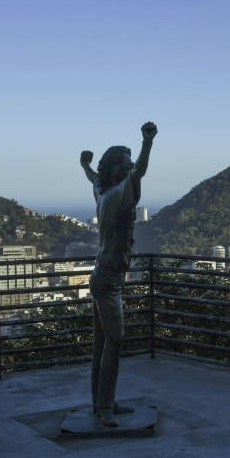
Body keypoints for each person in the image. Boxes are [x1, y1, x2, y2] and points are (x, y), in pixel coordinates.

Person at [79, 121, 157, 428]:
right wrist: (147, 143)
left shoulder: (102, 190)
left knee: (102, 342)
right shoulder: (119, 194)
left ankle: (102, 402)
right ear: (118, 169)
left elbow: (93, 177)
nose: (129, 167)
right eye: (124, 162)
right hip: (109, 278)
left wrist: (84, 164)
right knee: (116, 339)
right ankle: (105, 407)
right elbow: (139, 173)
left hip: (104, 275)